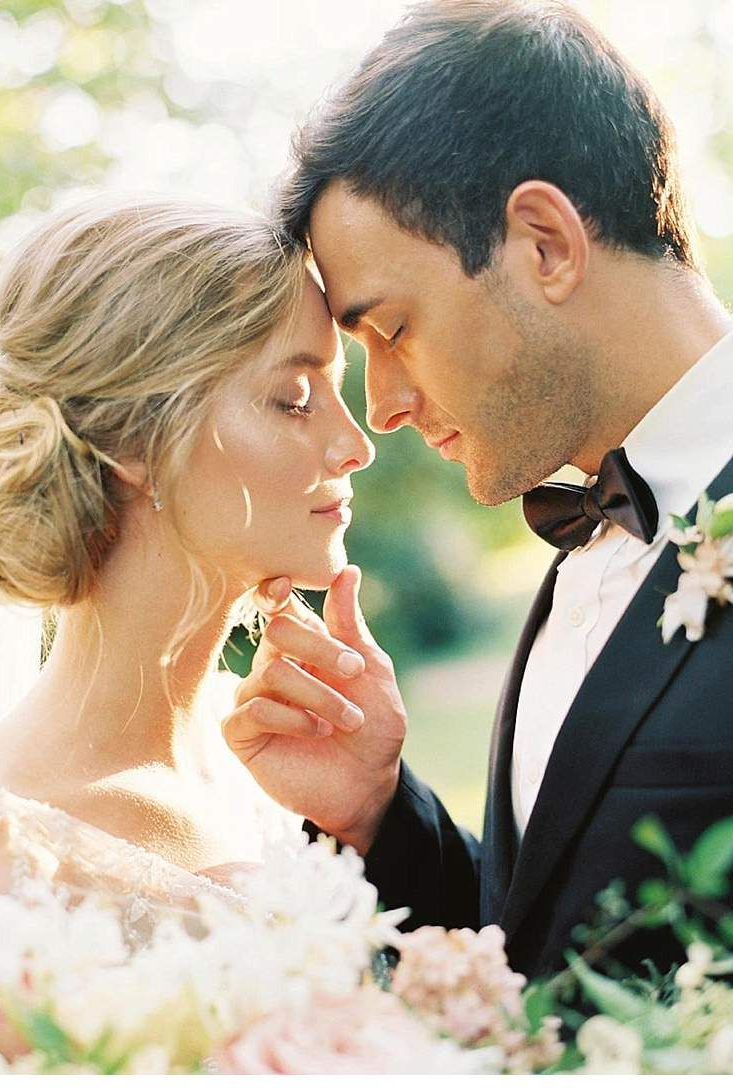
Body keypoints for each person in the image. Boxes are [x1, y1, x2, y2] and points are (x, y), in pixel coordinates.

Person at [222, 0, 733, 978]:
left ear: (541, 243)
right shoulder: (585, 549)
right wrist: (377, 810)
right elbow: (541, 957)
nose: (385, 409)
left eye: (392, 329)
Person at [0, 194, 374, 1018]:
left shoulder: (270, 767)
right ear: (136, 441)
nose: (357, 443)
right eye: (295, 397)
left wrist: (372, 808)